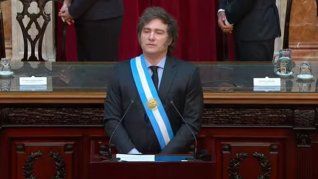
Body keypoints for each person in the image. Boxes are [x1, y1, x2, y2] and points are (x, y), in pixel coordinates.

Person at [104, 7, 203, 155]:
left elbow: (191, 123)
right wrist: (132, 153)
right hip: (130, 161)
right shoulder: (120, 72)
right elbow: (112, 119)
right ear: (139, 36)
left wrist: (163, 157)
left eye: (158, 32)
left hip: (172, 161)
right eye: (146, 31)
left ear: (170, 39)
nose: (151, 37)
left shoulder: (188, 73)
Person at [58, 0, 123, 61]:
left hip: (100, 19)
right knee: (88, 67)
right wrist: (67, 3)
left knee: (101, 68)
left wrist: (72, 11)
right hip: (92, 18)